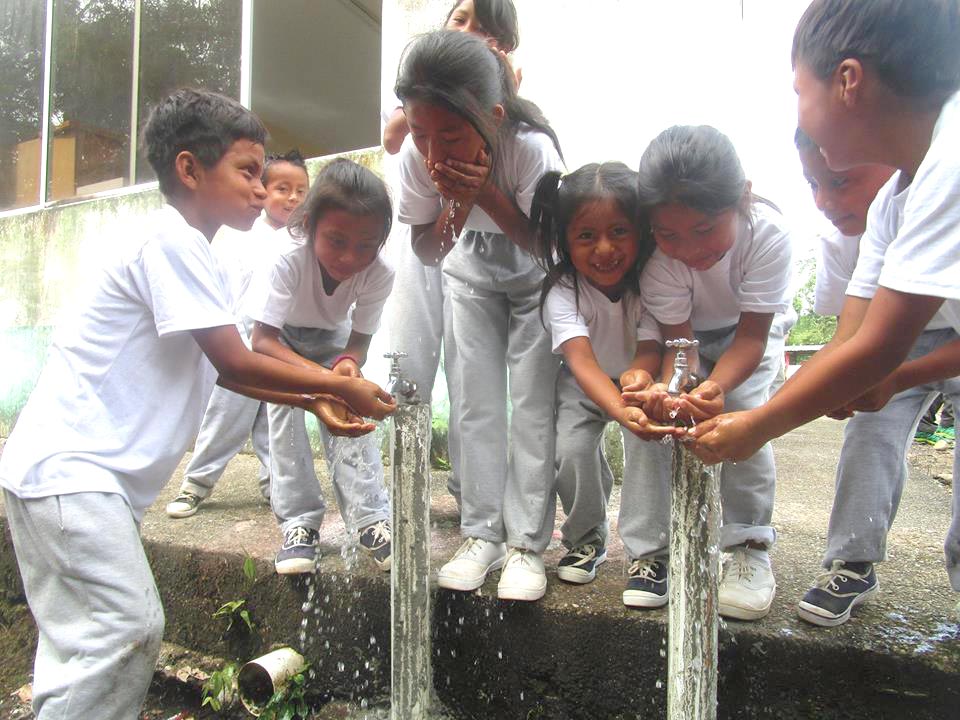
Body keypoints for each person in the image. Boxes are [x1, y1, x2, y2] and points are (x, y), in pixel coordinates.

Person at [0, 89, 394, 720]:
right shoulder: (171, 241)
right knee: (124, 630)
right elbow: (237, 360)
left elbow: (231, 374)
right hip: (70, 476)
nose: (261, 190)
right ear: (189, 169)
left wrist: (319, 399)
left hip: (70, 479)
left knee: (78, 649)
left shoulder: (192, 252)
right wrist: (336, 385)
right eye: (246, 172)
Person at [688, 0, 960, 595]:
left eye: (797, 89)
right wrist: (843, 386)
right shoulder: (896, 198)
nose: (798, 109)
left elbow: (881, 349)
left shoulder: (951, 160)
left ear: (847, 81)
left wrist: (757, 424)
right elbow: (854, 340)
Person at [395, 30, 563, 602]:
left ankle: (527, 547)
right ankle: (482, 534)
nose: (434, 152)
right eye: (420, 134)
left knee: (534, 407)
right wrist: (455, 206)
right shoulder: (419, 158)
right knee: (474, 402)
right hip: (468, 274)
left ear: (492, 116)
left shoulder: (531, 149)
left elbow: (550, 246)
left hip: (537, 277)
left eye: (450, 135)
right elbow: (427, 249)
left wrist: (486, 194)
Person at [622, 125, 794, 619]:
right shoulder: (662, 262)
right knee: (667, 415)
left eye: (704, 230)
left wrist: (718, 387)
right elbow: (682, 345)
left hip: (748, 332)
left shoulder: (768, 236)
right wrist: (683, 386)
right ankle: (654, 551)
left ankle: (747, 545)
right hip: (691, 339)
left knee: (743, 413)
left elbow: (752, 339)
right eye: (668, 233)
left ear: (741, 198)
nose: (690, 249)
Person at [793, 129, 956, 626]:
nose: (825, 202)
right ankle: (853, 561)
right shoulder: (852, 234)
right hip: (895, 341)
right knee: (867, 431)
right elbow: (848, 339)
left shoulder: (944, 191)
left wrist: (900, 375)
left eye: (840, 181)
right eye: (813, 185)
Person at [382, 0, 522, 510]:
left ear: (503, 47)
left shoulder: (514, 131)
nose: (468, 32)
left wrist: (476, 193)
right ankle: (407, 496)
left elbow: (532, 231)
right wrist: (457, 200)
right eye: (459, 20)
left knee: (474, 377)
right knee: (411, 361)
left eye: (484, 29)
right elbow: (395, 135)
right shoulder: (421, 102)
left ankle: (473, 494)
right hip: (429, 242)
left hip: (491, 257)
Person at [245, 158, 396, 575]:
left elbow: (358, 341)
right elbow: (262, 341)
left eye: (366, 244)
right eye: (336, 240)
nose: (350, 257)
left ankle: (370, 520)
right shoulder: (286, 257)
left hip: (332, 340)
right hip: (281, 341)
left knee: (353, 418)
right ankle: (298, 524)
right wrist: (326, 382)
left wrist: (347, 365)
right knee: (284, 426)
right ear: (308, 225)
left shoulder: (380, 272)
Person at [531, 162, 676, 591]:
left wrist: (639, 378)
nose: (604, 248)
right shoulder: (563, 290)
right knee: (573, 449)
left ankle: (648, 553)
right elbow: (581, 361)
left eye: (619, 231)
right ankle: (586, 537)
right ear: (564, 241)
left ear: (641, 231)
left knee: (650, 444)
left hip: (640, 381)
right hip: (583, 384)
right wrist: (616, 404)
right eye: (586, 236)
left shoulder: (651, 281)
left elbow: (652, 345)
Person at [166, 149, 310, 518]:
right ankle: (196, 484)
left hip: (279, 347)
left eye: (301, 191)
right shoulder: (244, 238)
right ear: (263, 190)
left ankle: (274, 485)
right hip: (242, 347)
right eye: (282, 188)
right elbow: (227, 293)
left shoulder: (303, 243)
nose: (292, 198)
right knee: (225, 418)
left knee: (274, 424)